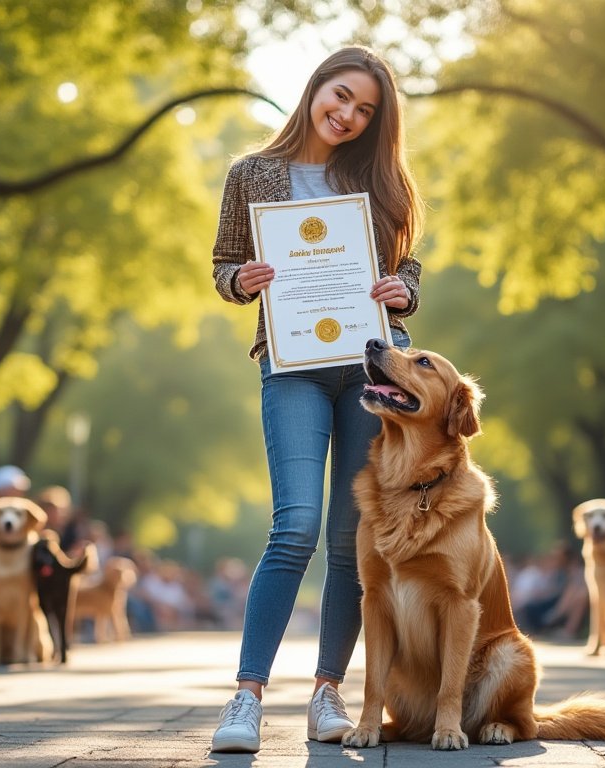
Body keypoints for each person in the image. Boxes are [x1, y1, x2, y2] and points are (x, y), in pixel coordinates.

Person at [208, 46, 424, 753]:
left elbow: (407, 263)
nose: (349, 115)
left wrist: (405, 291)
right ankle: (246, 698)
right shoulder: (252, 173)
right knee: (295, 525)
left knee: (348, 539)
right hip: (293, 362)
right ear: (315, 88)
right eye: (341, 96)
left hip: (372, 372)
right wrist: (243, 280)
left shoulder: (382, 179)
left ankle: (328, 692)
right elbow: (223, 264)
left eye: (366, 110)